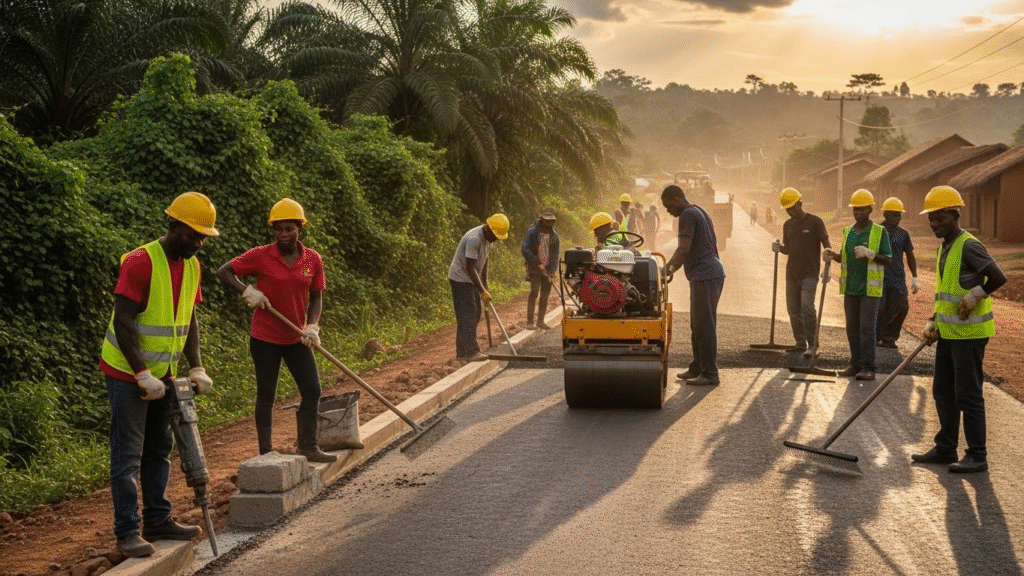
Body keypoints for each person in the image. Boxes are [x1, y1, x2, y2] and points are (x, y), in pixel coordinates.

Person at [99, 191, 217, 557]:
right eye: (192, 235)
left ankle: (158, 518)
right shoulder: (140, 262)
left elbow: (190, 318)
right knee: (128, 455)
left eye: (202, 237)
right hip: (126, 373)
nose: (197, 243)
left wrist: (195, 364)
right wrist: (140, 373)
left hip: (165, 372)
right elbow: (123, 320)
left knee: (159, 449)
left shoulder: (192, 265)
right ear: (172, 225)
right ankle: (127, 531)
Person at [216, 198, 336, 463]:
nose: (284, 234)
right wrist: (247, 291)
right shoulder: (261, 255)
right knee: (266, 393)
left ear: (300, 229)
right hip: (265, 337)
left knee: (312, 389)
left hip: (297, 337)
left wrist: (312, 326)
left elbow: (316, 296)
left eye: (289, 229)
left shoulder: (312, 259)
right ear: (273, 230)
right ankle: (266, 451)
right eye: (279, 229)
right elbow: (224, 272)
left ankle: (308, 445)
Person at [912, 186, 1006, 473]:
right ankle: (946, 447)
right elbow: (946, 293)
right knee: (943, 391)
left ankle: (977, 455)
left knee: (968, 395)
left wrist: (976, 295)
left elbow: (997, 277)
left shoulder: (969, 245)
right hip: (949, 333)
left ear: (954, 215)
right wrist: (933, 321)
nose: (933, 224)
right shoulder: (945, 247)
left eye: (939, 218)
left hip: (970, 334)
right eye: (931, 219)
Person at [823, 189, 891, 381]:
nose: (857, 212)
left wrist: (870, 254)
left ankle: (869, 367)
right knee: (851, 328)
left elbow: (888, 259)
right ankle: (855, 364)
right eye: (855, 209)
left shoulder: (879, 232)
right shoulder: (848, 231)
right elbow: (845, 258)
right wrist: (831, 255)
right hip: (851, 288)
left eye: (861, 209)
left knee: (867, 329)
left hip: (870, 290)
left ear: (870, 209)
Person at [662, 184, 726, 386]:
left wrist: (666, 270)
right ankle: (697, 367)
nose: (668, 211)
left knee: (704, 325)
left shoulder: (687, 216)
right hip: (708, 274)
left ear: (675, 199)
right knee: (697, 324)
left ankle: (710, 373)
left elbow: (683, 249)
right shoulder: (700, 210)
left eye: (667, 207)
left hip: (705, 275)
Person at [772, 187, 831, 357]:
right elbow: (788, 249)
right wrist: (779, 248)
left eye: (793, 207)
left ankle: (813, 344)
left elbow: (826, 244)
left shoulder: (815, 222)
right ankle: (800, 342)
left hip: (810, 273)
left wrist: (828, 264)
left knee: (807, 306)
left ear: (800, 203)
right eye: (788, 209)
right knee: (793, 309)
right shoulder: (788, 225)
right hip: (791, 273)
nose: (791, 212)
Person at [448, 213, 509, 361]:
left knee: (475, 314)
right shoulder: (473, 238)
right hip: (460, 278)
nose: (495, 239)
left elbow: (484, 261)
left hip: (472, 278)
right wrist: (481, 290)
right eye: (494, 235)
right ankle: (469, 352)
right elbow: (470, 268)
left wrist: (485, 284)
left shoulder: (490, 239)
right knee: (468, 314)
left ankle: (462, 351)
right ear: (488, 228)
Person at [876, 197, 919, 348]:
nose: (898, 218)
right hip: (878, 277)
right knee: (880, 309)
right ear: (885, 214)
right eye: (894, 214)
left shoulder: (903, 234)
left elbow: (910, 255)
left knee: (901, 306)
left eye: (899, 215)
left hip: (897, 277)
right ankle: (879, 337)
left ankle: (890, 337)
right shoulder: (875, 231)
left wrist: (915, 277)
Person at [520, 208, 560, 330]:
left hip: (548, 269)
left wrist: (552, 270)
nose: (550, 224)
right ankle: (530, 322)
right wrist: (537, 262)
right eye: (547, 222)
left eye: (552, 222)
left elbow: (555, 254)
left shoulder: (555, 236)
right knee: (534, 292)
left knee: (545, 295)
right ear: (542, 221)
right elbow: (524, 249)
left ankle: (540, 321)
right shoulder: (532, 232)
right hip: (534, 267)